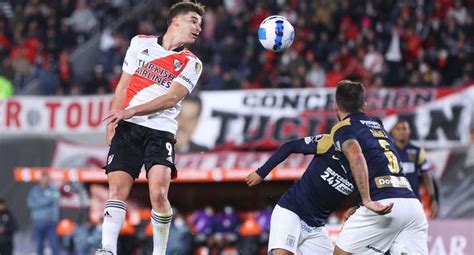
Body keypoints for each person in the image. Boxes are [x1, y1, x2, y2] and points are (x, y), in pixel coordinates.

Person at [96, 2, 205, 255]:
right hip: (128, 127)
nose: (198, 27)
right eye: (193, 20)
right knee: (117, 189)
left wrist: (131, 110)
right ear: (175, 21)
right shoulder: (139, 43)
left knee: (157, 193)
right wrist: (115, 117)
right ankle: (107, 249)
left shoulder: (192, 63)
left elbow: (171, 98)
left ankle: (159, 252)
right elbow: (123, 85)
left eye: (200, 23)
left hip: (160, 131)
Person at [330, 80, 428, 254]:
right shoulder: (377, 124)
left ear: (335, 105)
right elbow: (378, 161)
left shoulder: (343, 128)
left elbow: (356, 155)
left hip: (382, 203)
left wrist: (366, 200)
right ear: (364, 105)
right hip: (412, 206)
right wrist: (361, 202)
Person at [245, 134, 356, 255]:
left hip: (316, 226)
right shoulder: (331, 141)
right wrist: (262, 172)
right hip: (292, 211)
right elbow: (290, 146)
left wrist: (358, 205)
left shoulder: (369, 167)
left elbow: (373, 194)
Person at [391, 119, 439, 218]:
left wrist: (433, 198)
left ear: (409, 131)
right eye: (398, 128)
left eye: (404, 128)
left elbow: (427, 176)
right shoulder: (388, 151)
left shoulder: (417, 151)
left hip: (413, 200)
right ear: (393, 132)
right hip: (393, 200)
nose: (401, 131)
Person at [26, 172, 61, 255]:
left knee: (54, 245)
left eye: (47, 178)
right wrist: (46, 201)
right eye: (43, 178)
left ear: (49, 179)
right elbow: (30, 203)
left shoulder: (54, 190)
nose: (45, 180)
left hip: (51, 222)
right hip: (38, 222)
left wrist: (39, 202)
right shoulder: (34, 190)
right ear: (40, 179)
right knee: (39, 245)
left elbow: (56, 198)